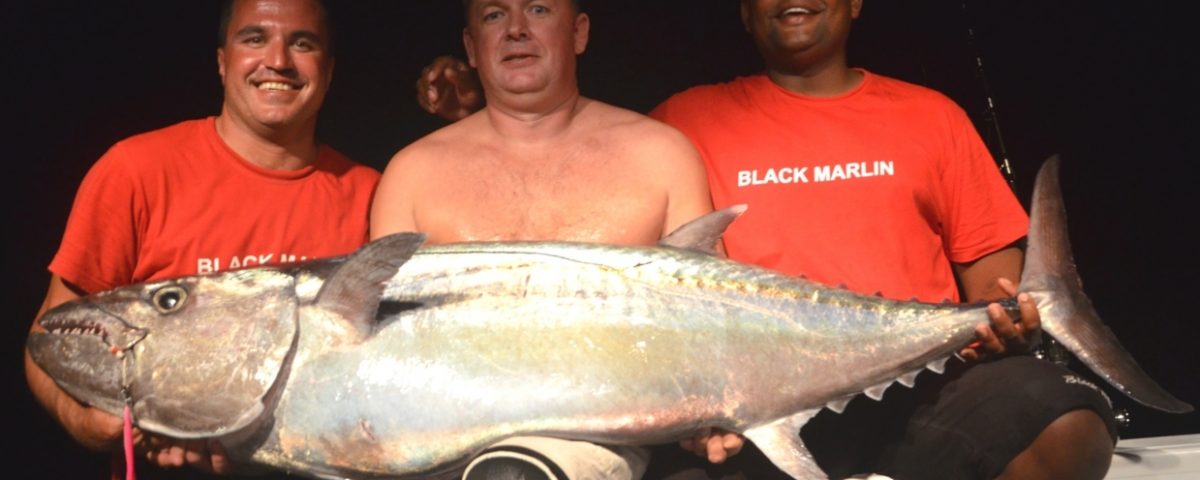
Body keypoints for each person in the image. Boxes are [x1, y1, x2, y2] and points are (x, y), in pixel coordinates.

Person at [416, 1, 1118, 479]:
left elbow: (992, 280)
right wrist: (480, 110)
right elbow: (572, 179)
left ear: (855, 2)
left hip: (922, 384)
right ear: (745, 11)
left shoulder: (930, 115)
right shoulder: (679, 124)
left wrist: (1008, 318)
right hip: (755, 403)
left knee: (1069, 426)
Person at [24, 0, 379, 476]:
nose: (277, 59)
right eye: (254, 38)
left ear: (329, 70)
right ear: (221, 60)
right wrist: (85, 424)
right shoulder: (136, 171)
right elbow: (47, 337)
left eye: (302, 43)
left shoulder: (372, 193)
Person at [370, 1, 716, 479]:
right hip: (445, 442)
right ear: (472, 47)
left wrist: (721, 403)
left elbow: (715, 319)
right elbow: (380, 345)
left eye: (537, 10)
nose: (515, 30)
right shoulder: (411, 173)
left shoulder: (661, 153)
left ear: (578, 33)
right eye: (494, 16)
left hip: (608, 438)